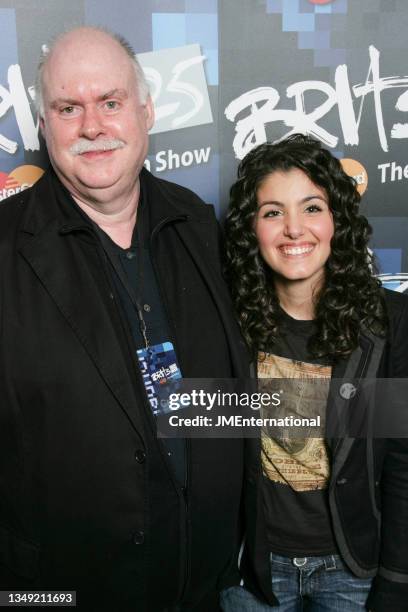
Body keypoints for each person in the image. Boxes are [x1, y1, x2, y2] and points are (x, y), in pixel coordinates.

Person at [0, 27, 248, 611]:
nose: (92, 126)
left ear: (146, 112)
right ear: (43, 127)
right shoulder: (5, 249)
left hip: (205, 585)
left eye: (110, 102)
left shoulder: (198, 224)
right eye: (68, 108)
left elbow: (234, 394)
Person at [222, 134, 408, 611]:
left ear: (336, 220)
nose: (293, 229)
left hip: (351, 570)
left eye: (311, 208)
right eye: (272, 212)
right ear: (251, 229)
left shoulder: (390, 323)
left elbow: (403, 465)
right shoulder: (226, 320)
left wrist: (395, 581)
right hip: (252, 570)